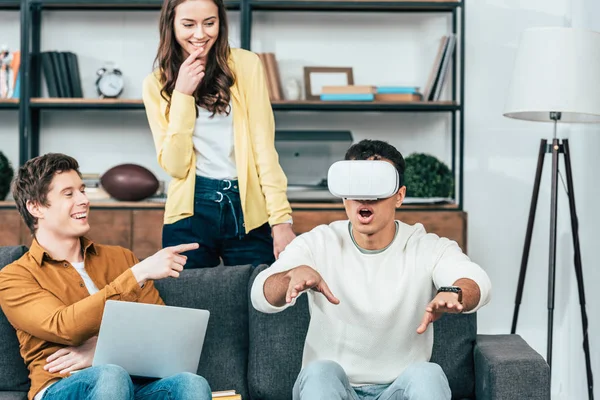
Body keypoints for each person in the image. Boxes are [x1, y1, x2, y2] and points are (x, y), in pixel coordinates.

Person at [250, 139, 492, 400]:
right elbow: (259, 295)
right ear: (344, 194)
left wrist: (455, 292)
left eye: (378, 186)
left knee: (428, 374)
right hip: (332, 389)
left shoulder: (426, 246)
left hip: (399, 390)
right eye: (357, 185)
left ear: (399, 195)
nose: (365, 196)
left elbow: (477, 281)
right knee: (319, 372)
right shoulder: (318, 242)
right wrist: (289, 278)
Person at [0, 153, 212, 400]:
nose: (83, 200)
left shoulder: (121, 258)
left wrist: (99, 352)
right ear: (35, 207)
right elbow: (62, 327)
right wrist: (139, 273)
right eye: (69, 194)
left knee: (191, 384)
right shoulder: (14, 277)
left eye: (82, 190)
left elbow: (160, 338)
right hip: (61, 387)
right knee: (110, 375)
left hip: (134, 384)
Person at [142, 0, 296, 269]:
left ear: (221, 23)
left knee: (260, 300)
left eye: (209, 23)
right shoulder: (156, 83)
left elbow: (264, 148)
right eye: (189, 24)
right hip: (190, 210)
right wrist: (182, 94)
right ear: (171, 24)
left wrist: (281, 220)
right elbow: (176, 167)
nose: (200, 34)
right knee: (190, 306)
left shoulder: (247, 65)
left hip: (247, 208)